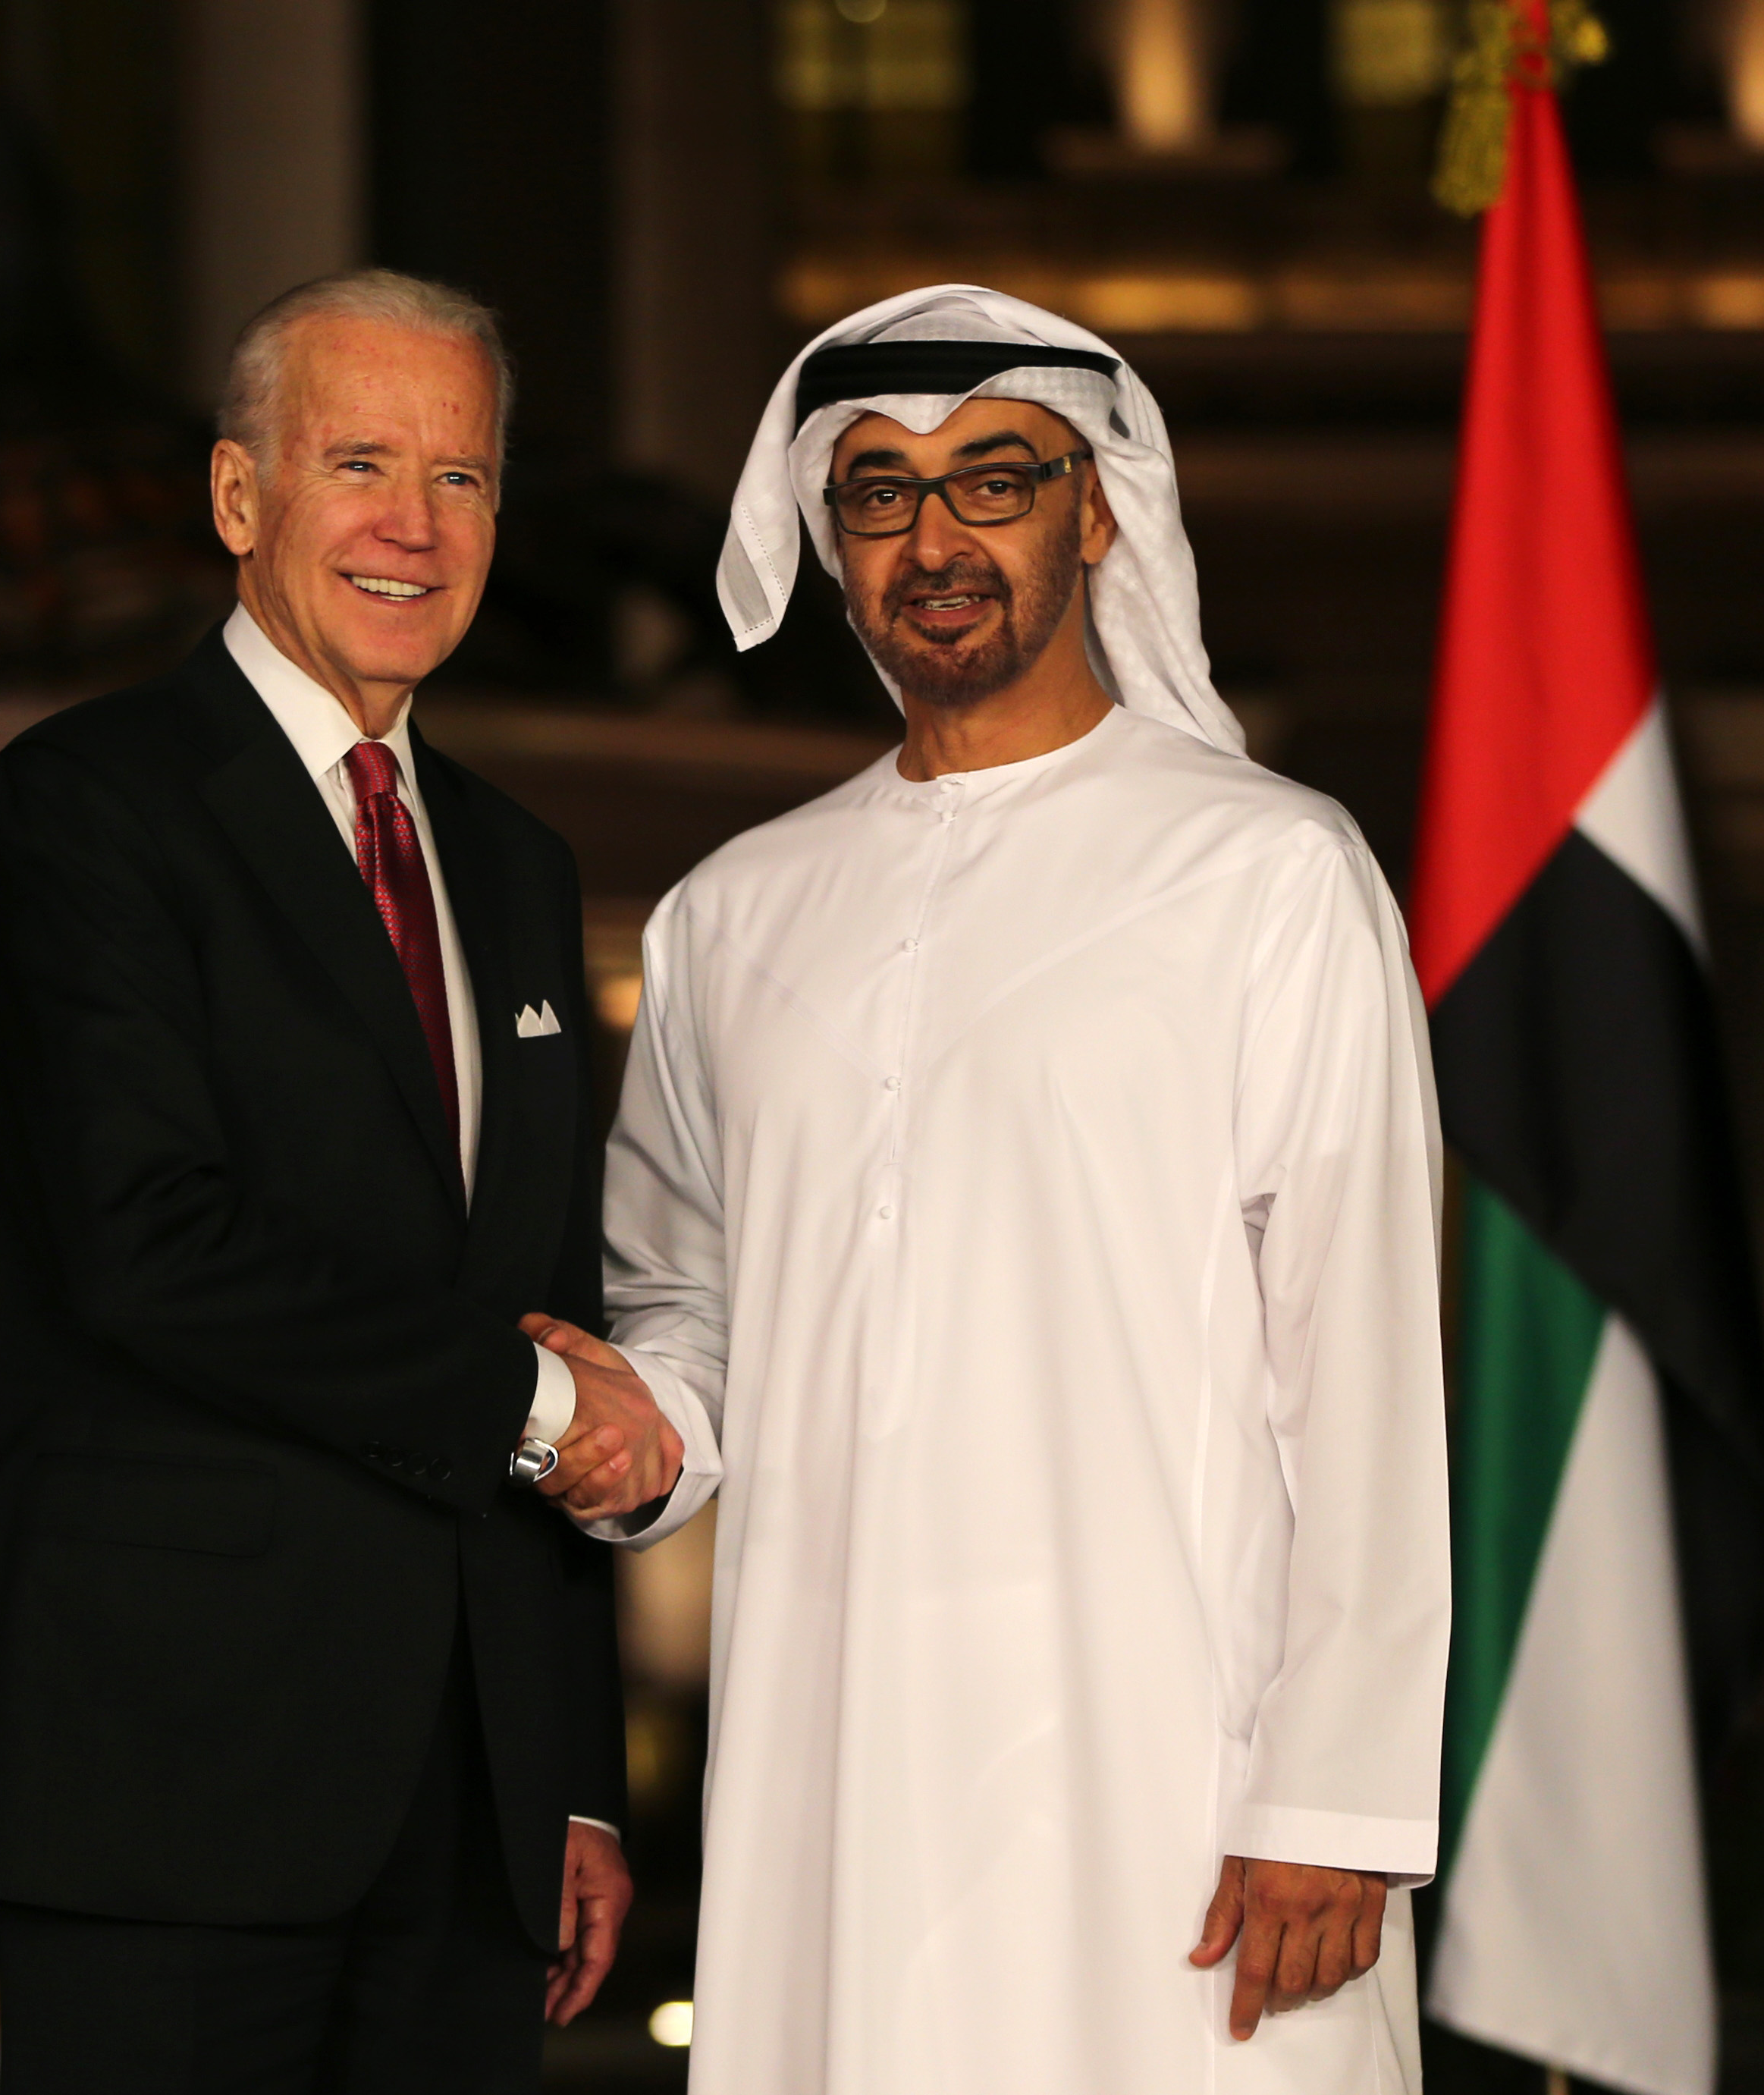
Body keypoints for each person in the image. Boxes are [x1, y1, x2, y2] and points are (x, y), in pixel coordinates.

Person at [531, 285, 1452, 2093]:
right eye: (876, 493)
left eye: (989, 481)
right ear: (824, 537)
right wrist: (635, 1423)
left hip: (1179, 1787)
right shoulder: (733, 912)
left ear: (1092, 509)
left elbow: (1361, 1356)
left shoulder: (1264, 869)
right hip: (838, 1772)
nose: (932, 539)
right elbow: (686, 1297)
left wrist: (1332, 1794)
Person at [0, 269, 680, 2094]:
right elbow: (143, 1247)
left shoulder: (510, 863)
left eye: (464, 477)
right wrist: (531, 1406)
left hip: (470, 1817)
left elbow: (542, 1281)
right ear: (237, 498)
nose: (413, 527)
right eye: (359, 461)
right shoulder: (86, 802)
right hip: (167, 1784)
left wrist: (565, 1771)